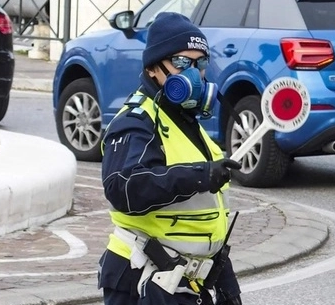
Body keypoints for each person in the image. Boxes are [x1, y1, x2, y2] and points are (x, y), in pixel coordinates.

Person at [97, 12, 243, 305]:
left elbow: (206, 215)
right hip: (144, 278)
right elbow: (123, 186)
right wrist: (199, 175)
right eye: (181, 63)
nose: (194, 73)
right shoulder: (137, 121)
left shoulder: (187, 122)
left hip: (186, 282)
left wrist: (226, 282)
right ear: (153, 68)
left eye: (200, 63)